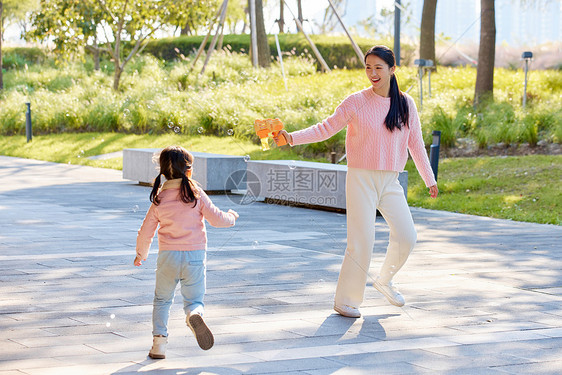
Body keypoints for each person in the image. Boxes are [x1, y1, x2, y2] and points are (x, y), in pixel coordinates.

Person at [275, 45, 438, 318]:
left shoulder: (406, 104)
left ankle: (384, 280)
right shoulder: (355, 101)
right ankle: (346, 300)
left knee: (407, 236)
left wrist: (429, 179)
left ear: (392, 69)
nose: (372, 73)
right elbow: (325, 128)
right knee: (361, 240)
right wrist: (291, 137)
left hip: (390, 181)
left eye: (378, 67)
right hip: (361, 178)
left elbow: (416, 144)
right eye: (368, 67)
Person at [134, 145, 239, 358]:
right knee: (194, 299)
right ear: (189, 171)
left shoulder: (159, 199)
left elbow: (146, 231)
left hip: (167, 258)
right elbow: (217, 219)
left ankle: (158, 345)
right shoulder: (196, 194)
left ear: (162, 173)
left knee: (162, 300)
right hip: (194, 256)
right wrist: (231, 218)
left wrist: (141, 254)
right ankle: (194, 314)